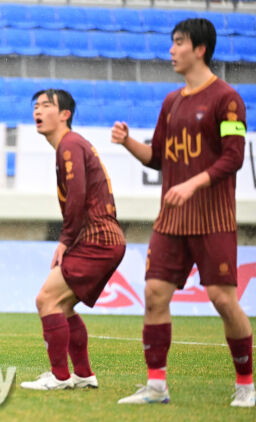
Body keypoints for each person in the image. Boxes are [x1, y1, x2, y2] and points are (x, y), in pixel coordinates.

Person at [114, 18, 254, 407]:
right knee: (154, 293)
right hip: (172, 220)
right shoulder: (171, 102)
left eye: (178, 43)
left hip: (213, 219)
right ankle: (156, 386)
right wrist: (127, 143)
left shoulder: (227, 99)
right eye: (172, 42)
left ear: (200, 49)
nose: (171, 50)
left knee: (222, 299)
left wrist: (193, 184)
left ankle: (246, 384)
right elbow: (158, 158)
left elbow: (234, 158)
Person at [20, 89, 126, 391]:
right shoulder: (72, 145)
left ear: (65, 114)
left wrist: (65, 240)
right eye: (36, 106)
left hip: (96, 238)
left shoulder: (69, 144)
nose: (38, 111)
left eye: (46, 105)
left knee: (46, 300)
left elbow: (77, 194)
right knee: (63, 306)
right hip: (103, 237)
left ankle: (60, 377)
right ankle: (82, 374)